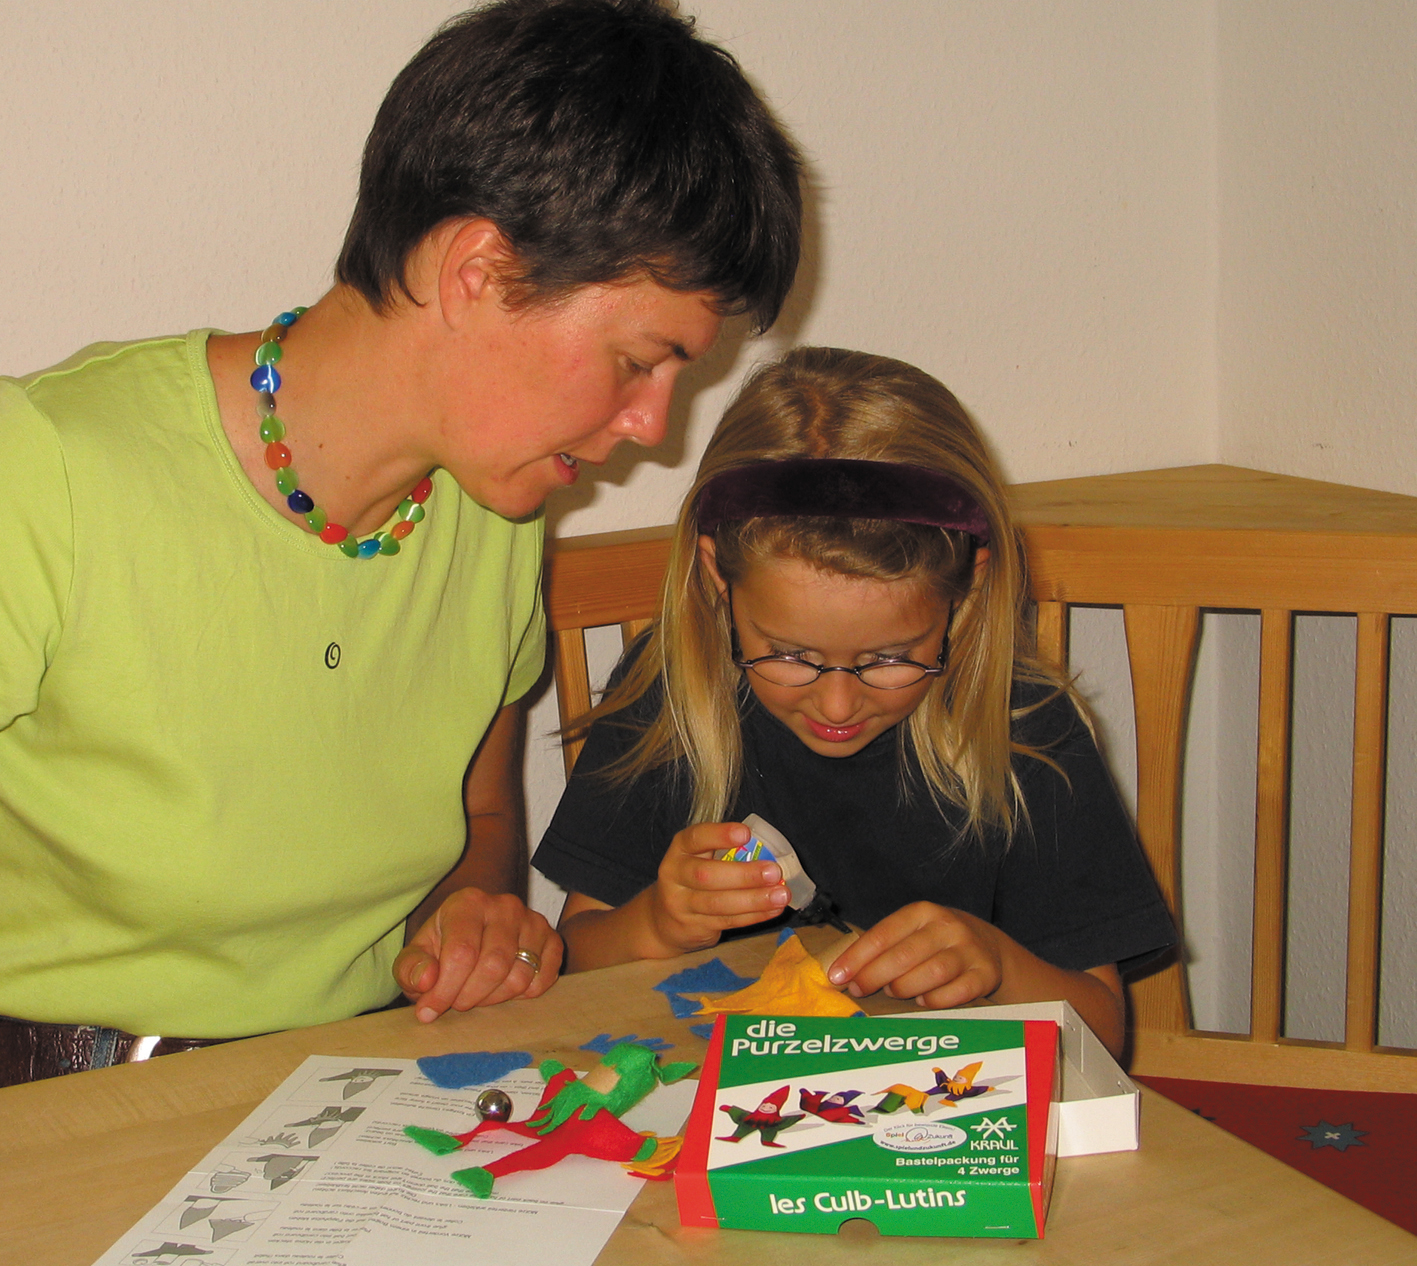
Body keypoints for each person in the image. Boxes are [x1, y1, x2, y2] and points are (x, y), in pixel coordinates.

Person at [0, 0, 802, 1085]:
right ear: (475, 271)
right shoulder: (48, 467)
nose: (652, 428)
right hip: (67, 1110)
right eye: (636, 361)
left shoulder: (493, 508)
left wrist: (476, 917)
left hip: (359, 1091)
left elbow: (477, 821)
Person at [532, 348, 1173, 1058]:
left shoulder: (1024, 731)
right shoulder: (671, 695)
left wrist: (996, 964)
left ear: (965, 593)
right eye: (789, 654)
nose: (836, 701)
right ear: (718, 575)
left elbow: (1104, 1037)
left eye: (889, 658)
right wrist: (656, 921)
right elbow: (577, 958)